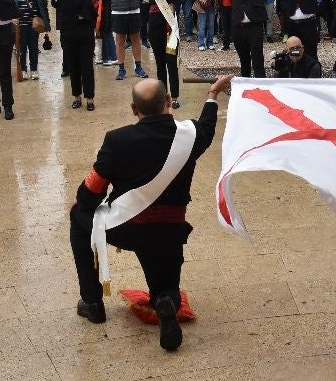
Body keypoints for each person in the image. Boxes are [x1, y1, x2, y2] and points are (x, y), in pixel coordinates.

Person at [70, 75, 228, 351]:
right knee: (167, 288)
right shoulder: (191, 136)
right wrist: (212, 94)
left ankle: (92, 302)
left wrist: (81, 202)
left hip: (125, 228)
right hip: (169, 231)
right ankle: (165, 301)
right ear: (168, 101)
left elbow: (91, 192)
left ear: (134, 109)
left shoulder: (117, 140)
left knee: (77, 217)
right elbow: (208, 126)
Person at [45, 0, 98, 111]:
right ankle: (76, 96)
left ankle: (90, 98)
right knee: (73, 67)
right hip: (69, 34)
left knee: (87, 67)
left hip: (85, 33)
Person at [140, 0, 184, 108]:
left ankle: (175, 97)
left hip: (170, 30)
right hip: (155, 29)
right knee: (160, 64)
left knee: (171, 63)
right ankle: (164, 96)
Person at [108, 0, 149, 81]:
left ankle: (138, 67)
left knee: (136, 39)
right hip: (118, 12)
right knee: (120, 41)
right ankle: (121, 69)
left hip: (134, 11)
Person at [12, 0, 49, 79]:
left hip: (34, 24)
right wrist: (12, 18)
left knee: (33, 48)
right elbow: (11, 6)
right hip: (20, 25)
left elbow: (43, 6)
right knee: (21, 48)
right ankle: (23, 69)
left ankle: (34, 70)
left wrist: (46, 22)